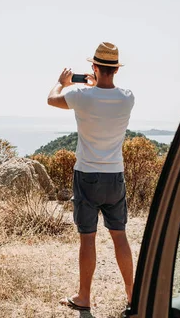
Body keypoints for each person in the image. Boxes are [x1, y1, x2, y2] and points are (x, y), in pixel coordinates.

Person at [47, 42, 135, 312]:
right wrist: (96, 82)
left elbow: (52, 99)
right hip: (114, 176)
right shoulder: (128, 97)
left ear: (94, 67)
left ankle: (84, 297)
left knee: (88, 238)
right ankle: (134, 297)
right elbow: (106, 94)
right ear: (116, 70)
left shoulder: (81, 97)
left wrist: (61, 82)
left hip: (86, 175)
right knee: (120, 236)